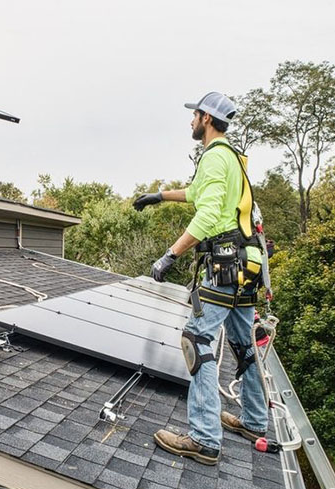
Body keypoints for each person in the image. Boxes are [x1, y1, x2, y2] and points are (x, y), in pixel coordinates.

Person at [133, 92, 268, 466]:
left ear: (207, 118)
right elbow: (197, 194)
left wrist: (170, 255)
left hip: (225, 264)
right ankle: (255, 421)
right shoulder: (231, 157)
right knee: (243, 343)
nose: (191, 121)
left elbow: (207, 215)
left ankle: (205, 439)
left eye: (194, 115)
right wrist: (159, 196)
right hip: (248, 264)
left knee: (196, 340)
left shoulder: (213, 157)